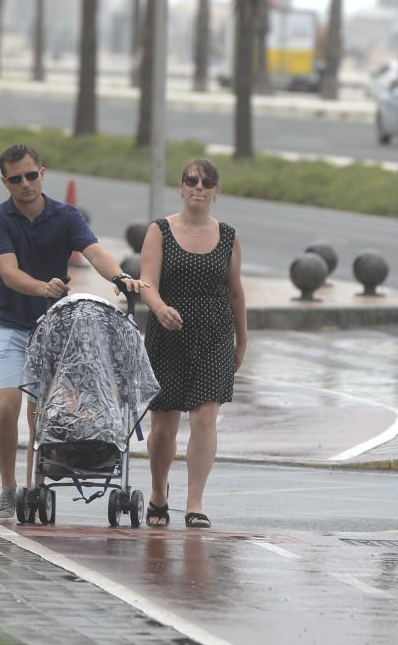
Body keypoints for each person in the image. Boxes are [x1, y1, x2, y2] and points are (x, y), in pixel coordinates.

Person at [0, 144, 148, 523]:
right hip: (8, 321)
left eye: (31, 175)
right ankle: (9, 488)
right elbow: (8, 273)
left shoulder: (65, 216)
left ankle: (33, 488)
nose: (25, 184)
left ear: (42, 172)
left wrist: (120, 278)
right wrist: (44, 288)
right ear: (5, 182)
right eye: (15, 179)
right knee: (6, 405)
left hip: (55, 328)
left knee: (41, 414)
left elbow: (96, 252)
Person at [139, 158, 247, 528]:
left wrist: (241, 341)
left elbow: (235, 294)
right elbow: (147, 282)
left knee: (204, 419)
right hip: (167, 333)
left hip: (215, 334)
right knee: (164, 426)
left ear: (216, 191)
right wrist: (159, 307)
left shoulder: (229, 237)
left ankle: (194, 503)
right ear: (181, 187)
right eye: (191, 180)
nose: (198, 187)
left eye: (206, 182)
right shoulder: (159, 231)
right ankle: (158, 493)